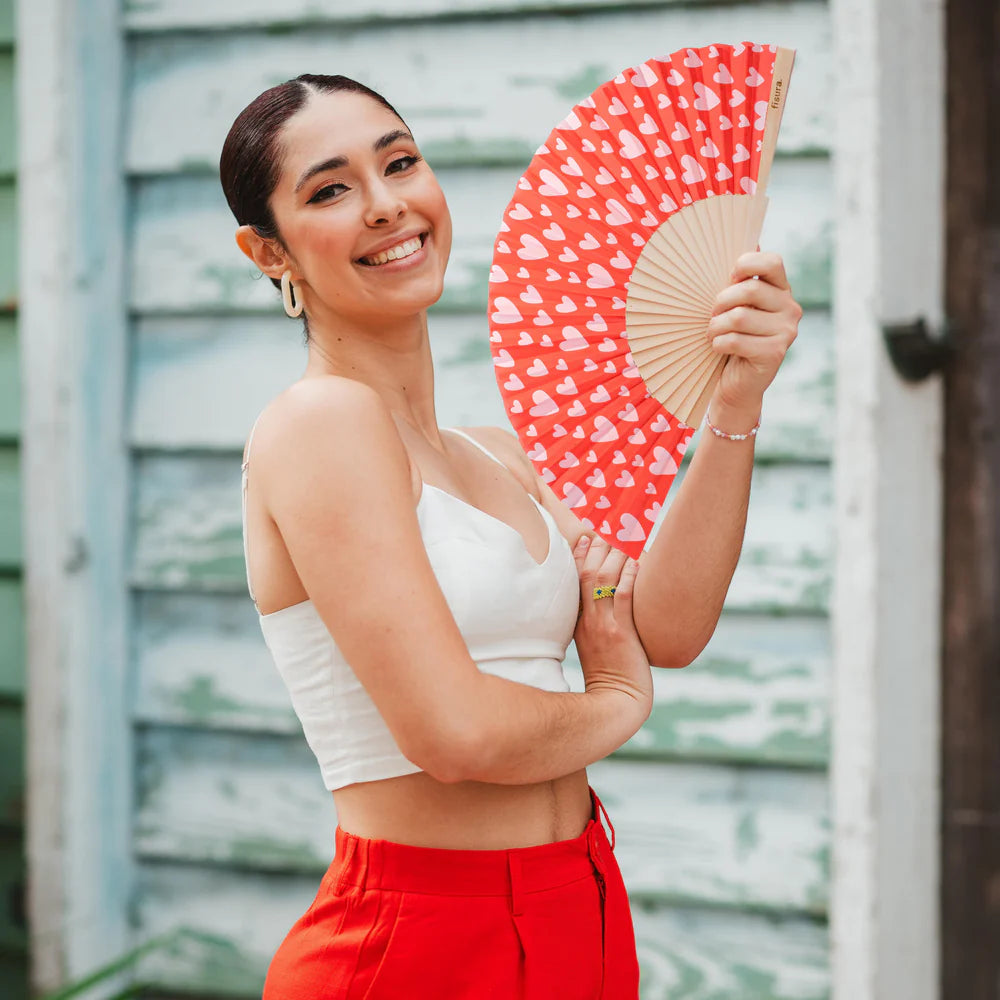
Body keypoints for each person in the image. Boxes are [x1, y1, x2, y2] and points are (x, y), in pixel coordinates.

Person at [221, 73, 801, 1000]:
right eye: (330, 189)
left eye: (400, 163)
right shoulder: (316, 424)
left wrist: (737, 401)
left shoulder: (498, 456)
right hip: (418, 937)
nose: (386, 206)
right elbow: (455, 733)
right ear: (268, 252)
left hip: (581, 903)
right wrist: (618, 701)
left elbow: (669, 626)